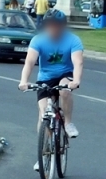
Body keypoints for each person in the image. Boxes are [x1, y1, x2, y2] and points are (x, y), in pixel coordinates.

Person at [18, 10, 84, 168]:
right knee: (43, 113)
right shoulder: (38, 40)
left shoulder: (73, 40)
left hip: (64, 75)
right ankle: (43, 154)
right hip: (45, 78)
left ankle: (68, 123)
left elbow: (78, 62)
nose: (53, 29)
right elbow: (29, 61)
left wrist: (76, 80)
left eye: (56, 26)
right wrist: (24, 81)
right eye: (50, 26)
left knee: (65, 90)